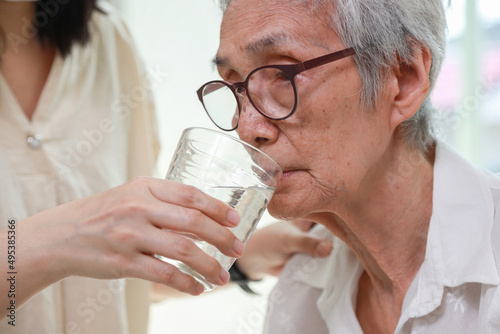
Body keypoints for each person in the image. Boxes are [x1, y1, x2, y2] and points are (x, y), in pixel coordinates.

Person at [0, 1, 332, 332]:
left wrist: (234, 260)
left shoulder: (111, 43)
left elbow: (116, 280)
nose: (247, 127)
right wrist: (65, 237)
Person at [196, 0, 500, 332]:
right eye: (235, 85)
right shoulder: (301, 290)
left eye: (282, 75)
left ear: (404, 78)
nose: (247, 127)